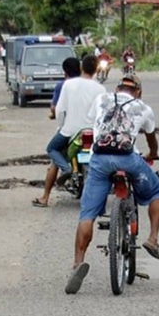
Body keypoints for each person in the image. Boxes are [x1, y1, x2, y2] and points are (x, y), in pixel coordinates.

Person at [65, 73, 159, 294]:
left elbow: (94, 122)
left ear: (118, 88)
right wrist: (154, 153)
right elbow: (151, 138)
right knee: (157, 191)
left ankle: (77, 263)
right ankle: (153, 239)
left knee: (87, 215)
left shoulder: (102, 99)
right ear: (137, 91)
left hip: (99, 159)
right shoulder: (143, 107)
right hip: (128, 159)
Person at [33, 55, 105, 208]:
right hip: (91, 132)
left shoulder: (68, 84)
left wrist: (62, 126)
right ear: (95, 70)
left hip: (69, 131)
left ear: (82, 68)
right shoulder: (100, 88)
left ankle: (50, 191)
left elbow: (59, 110)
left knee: (52, 149)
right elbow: (102, 113)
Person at [48, 56, 80, 120]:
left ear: (65, 72)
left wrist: (54, 114)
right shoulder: (89, 85)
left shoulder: (61, 85)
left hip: (67, 125)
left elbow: (54, 108)